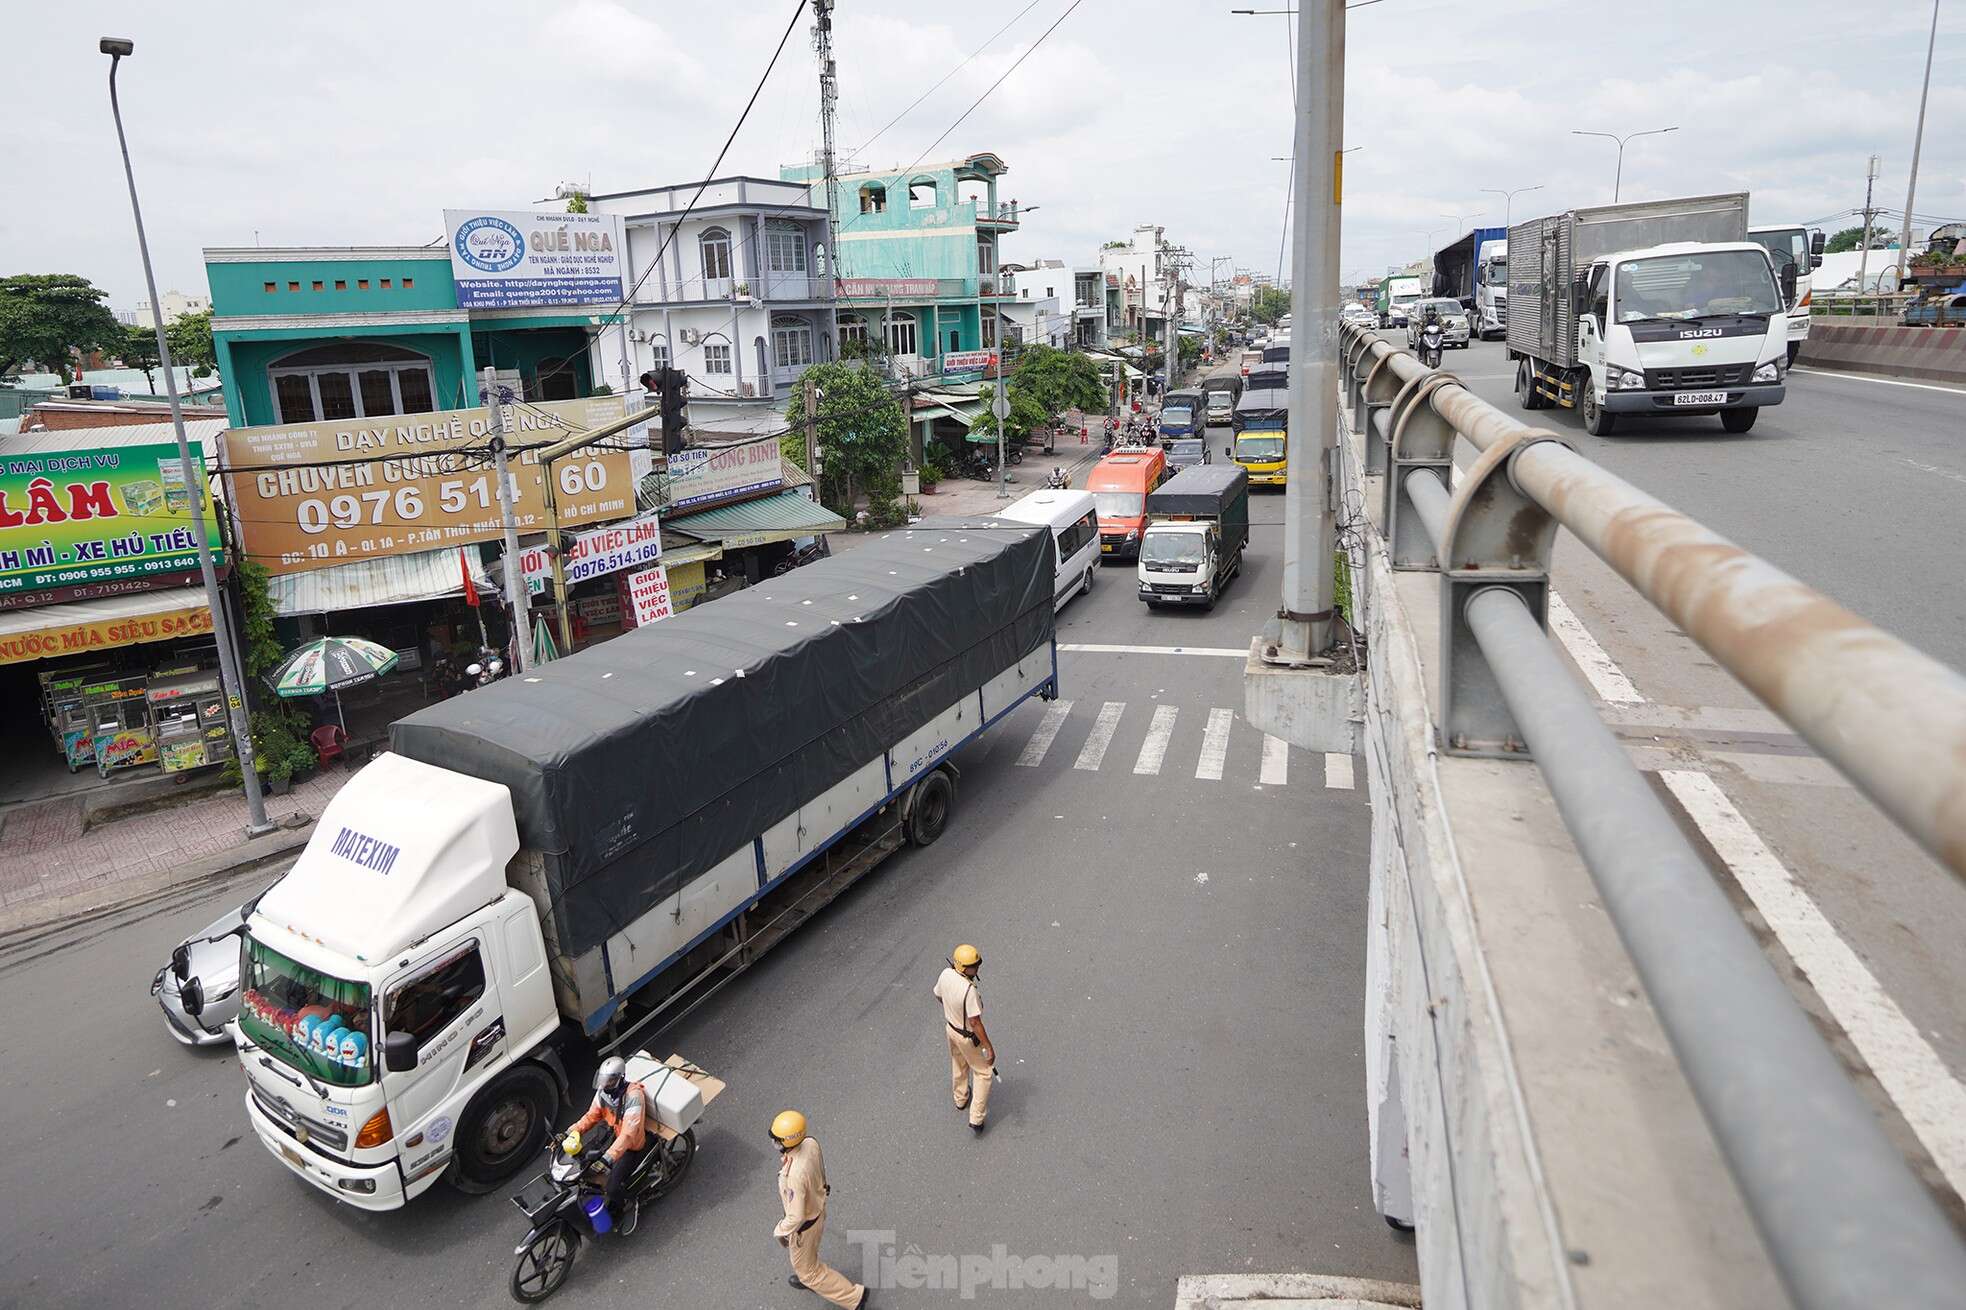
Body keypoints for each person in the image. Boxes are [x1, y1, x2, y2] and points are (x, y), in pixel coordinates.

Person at [770, 1111, 869, 1308]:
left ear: (786, 1142)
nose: (774, 1142)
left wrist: (780, 1230)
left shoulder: (795, 1176)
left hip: (805, 1225)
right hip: (818, 1208)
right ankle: (808, 1271)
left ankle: (853, 1297)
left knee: (808, 1272)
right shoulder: (809, 1143)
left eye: (776, 1139)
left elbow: (796, 1216)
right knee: (808, 1257)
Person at [565, 1056, 651, 1235]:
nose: (605, 1084)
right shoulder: (603, 1093)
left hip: (630, 1146)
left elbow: (628, 1134)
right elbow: (590, 1117)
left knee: (612, 1187)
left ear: (620, 1078)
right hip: (613, 1136)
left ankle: (629, 1202)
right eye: (603, 1080)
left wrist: (607, 1158)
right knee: (583, 1167)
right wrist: (570, 1133)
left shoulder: (634, 1096)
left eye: (610, 1081)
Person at [932, 944, 995, 1131]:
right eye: (974, 966)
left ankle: (960, 1098)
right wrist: (988, 1047)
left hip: (951, 1029)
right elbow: (975, 1023)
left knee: (958, 1063)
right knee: (983, 1072)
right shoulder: (969, 990)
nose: (977, 969)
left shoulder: (945, 974)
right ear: (963, 967)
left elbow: (938, 995)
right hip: (967, 1037)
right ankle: (976, 1117)